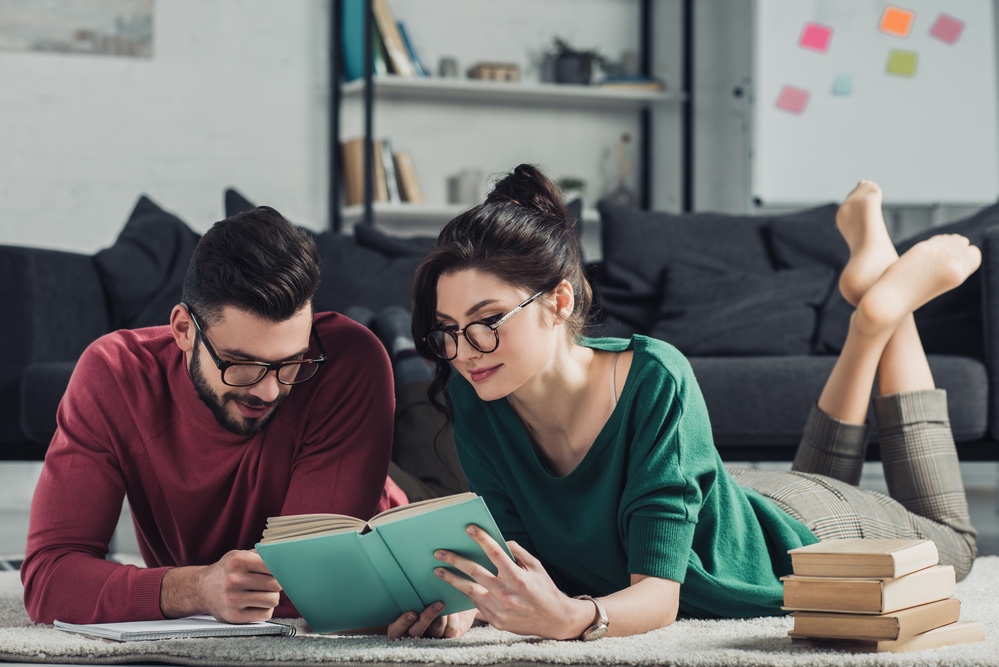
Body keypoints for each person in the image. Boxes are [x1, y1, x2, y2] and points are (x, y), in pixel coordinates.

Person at [393, 165, 980, 640]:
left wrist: (577, 619)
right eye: (447, 329)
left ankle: (886, 316)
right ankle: (869, 314)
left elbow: (660, 597)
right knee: (805, 485)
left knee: (951, 544)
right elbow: (521, 560)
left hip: (805, 529)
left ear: (559, 301)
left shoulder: (653, 376)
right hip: (733, 500)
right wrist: (466, 606)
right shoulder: (479, 394)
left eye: (487, 321)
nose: (464, 351)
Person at [21, 206, 412, 625]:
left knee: (428, 417)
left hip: (401, 528)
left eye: (291, 362)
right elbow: (49, 580)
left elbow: (313, 587)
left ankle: (404, 345)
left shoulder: (347, 360)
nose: (269, 390)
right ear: (184, 330)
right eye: (241, 363)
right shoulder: (113, 374)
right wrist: (195, 588)